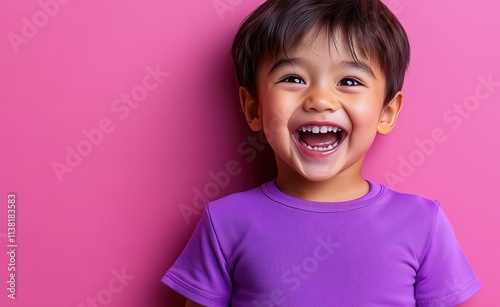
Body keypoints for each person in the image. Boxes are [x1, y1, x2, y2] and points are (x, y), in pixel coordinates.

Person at [162, 0, 482, 305]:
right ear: (254, 108)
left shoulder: (423, 223)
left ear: (387, 112)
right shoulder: (224, 223)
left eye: (349, 80)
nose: (320, 99)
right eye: (293, 78)